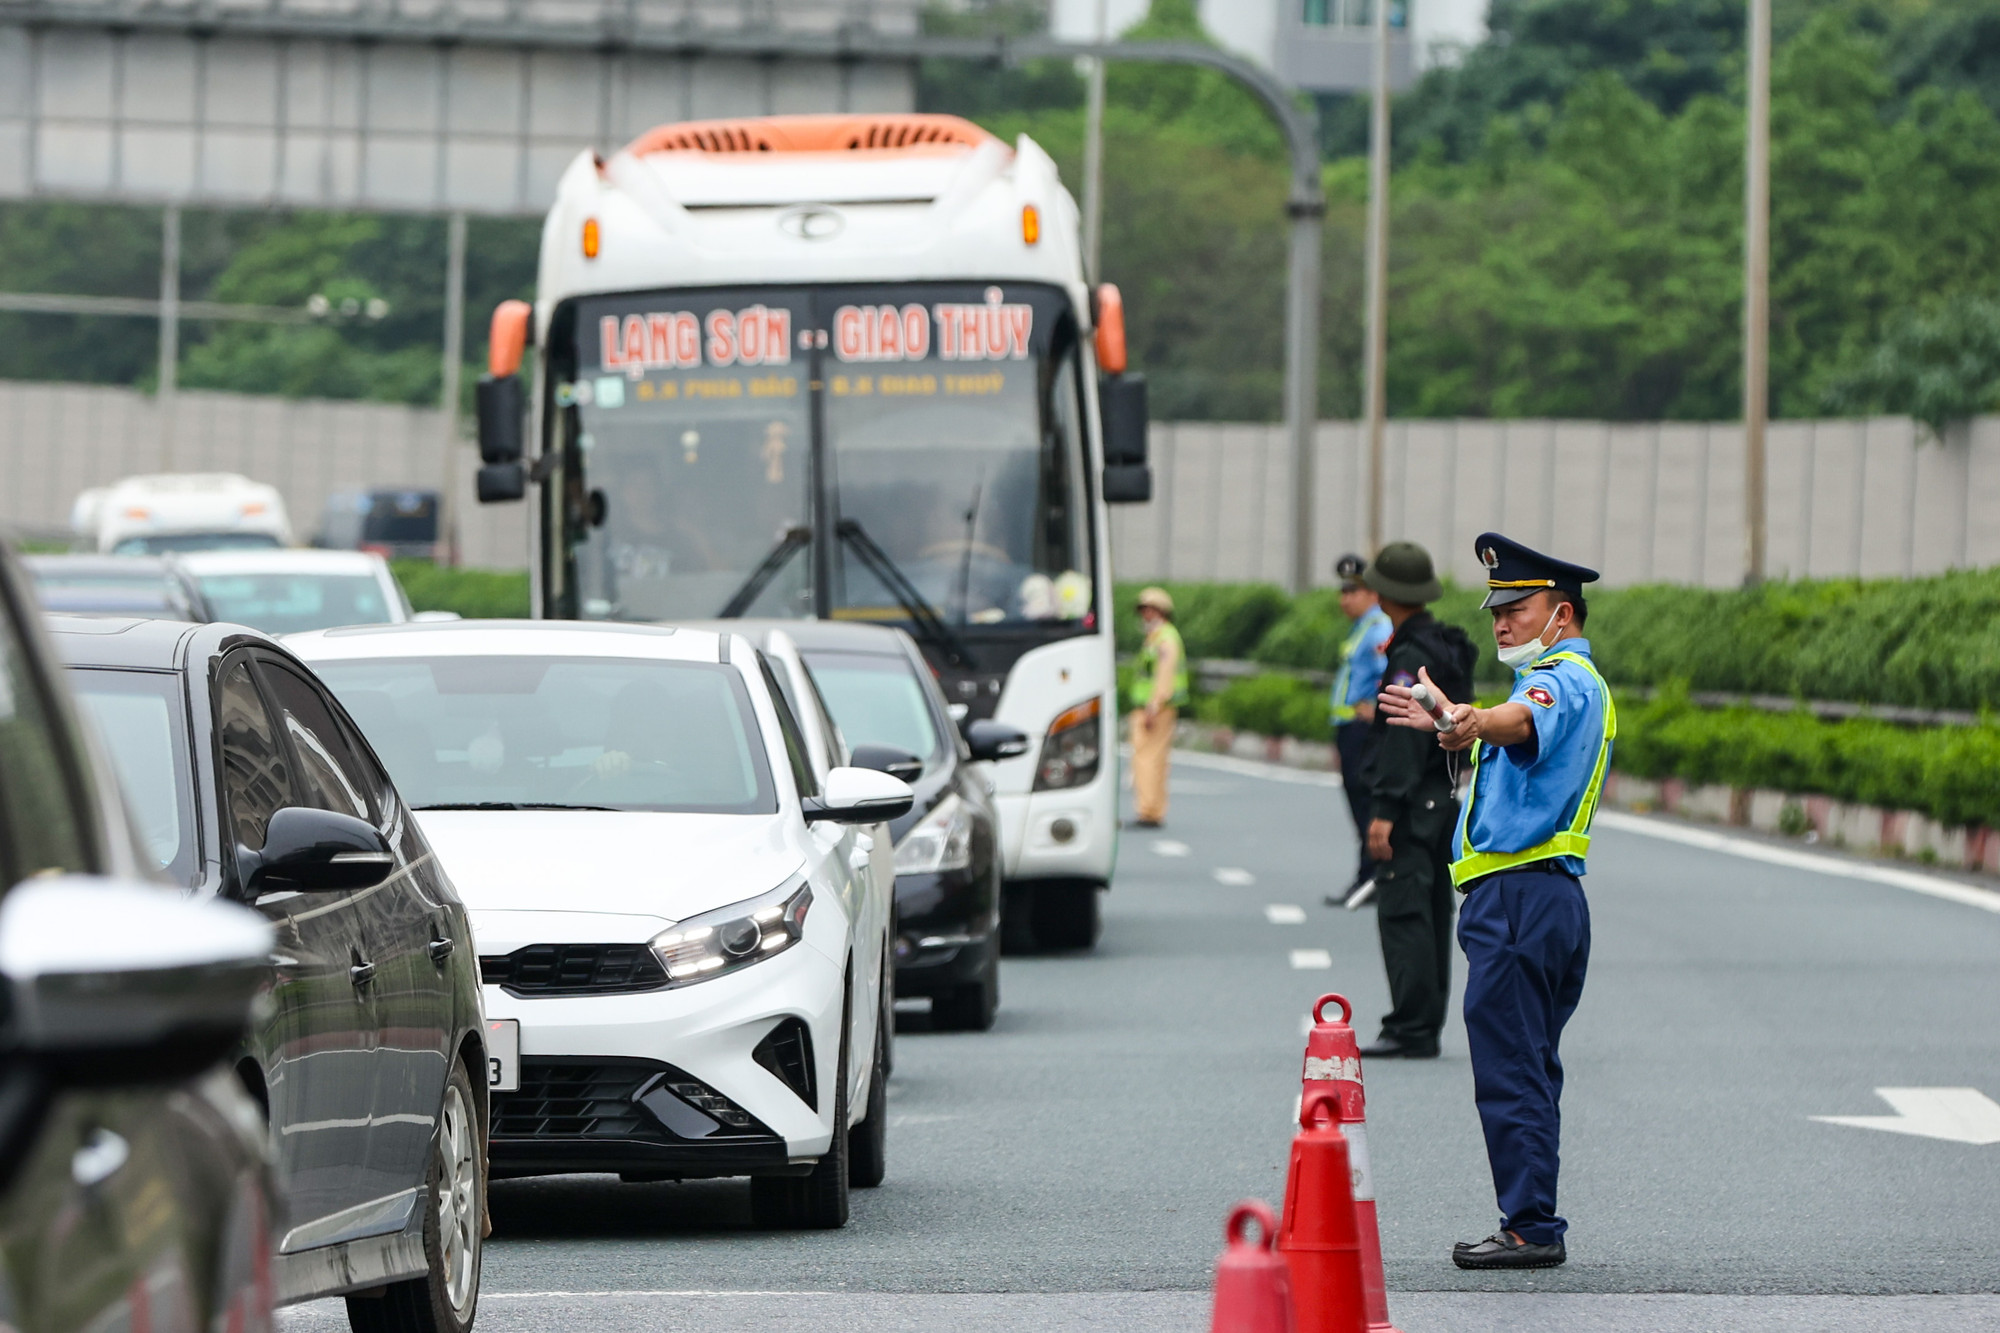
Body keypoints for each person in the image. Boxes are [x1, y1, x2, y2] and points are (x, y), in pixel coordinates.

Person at [1377, 532, 1614, 1272]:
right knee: (1528, 1063)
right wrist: (1458, 729)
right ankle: (1530, 1216)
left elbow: (1520, 721)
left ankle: (1531, 1224)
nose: (1501, 621)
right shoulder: (1555, 681)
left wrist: (1475, 718)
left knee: (1512, 1066)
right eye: (1495, 611)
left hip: (1520, 896)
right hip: (1537, 897)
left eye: (1518, 607)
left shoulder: (1560, 678)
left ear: (1563, 613)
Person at [1354, 542, 1476, 1060]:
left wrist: (1383, 809)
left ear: (1384, 592)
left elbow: (1404, 736)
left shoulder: (1409, 655)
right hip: (1441, 797)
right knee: (1430, 910)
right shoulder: (1444, 641)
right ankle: (1423, 1023)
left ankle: (1411, 1026)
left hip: (1412, 800)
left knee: (1405, 911)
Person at [1324, 553, 1393, 908]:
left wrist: (1377, 705)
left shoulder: (1378, 626)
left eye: (1353, 591)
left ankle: (1372, 876)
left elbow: (1393, 669)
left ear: (1372, 593)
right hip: (1350, 728)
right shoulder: (1363, 627)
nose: (1344, 598)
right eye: (1343, 591)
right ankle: (1369, 875)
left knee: (1366, 802)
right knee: (1358, 802)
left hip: (1362, 731)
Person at [1127, 586, 1188, 829]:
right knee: (1153, 759)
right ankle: (1151, 809)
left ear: (1161, 611)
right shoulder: (1157, 637)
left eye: (1150, 610)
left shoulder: (1165, 639)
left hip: (1155, 708)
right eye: (1143, 610)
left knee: (1147, 759)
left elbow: (1165, 674)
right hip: (1154, 706)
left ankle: (1149, 810)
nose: (1145, 615)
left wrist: (1154, 705)